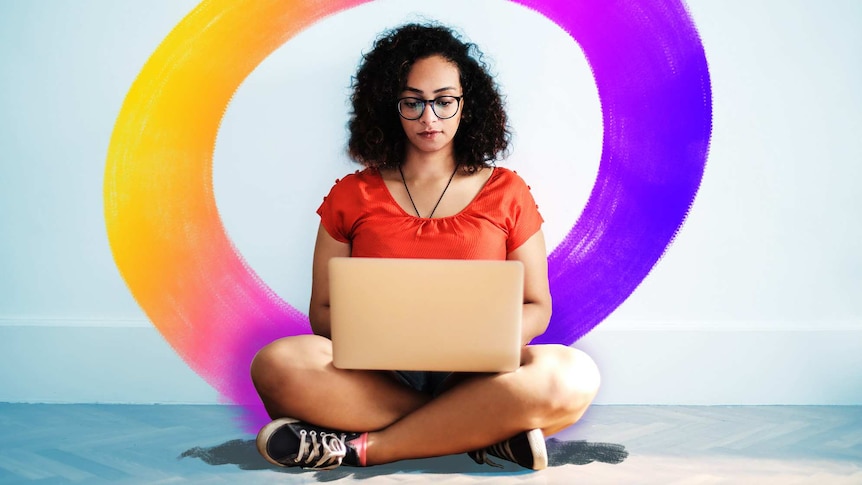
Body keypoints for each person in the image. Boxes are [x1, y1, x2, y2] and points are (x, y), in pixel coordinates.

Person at [250, 23, 600, 471]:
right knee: (278, 362)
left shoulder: (508, 191)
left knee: (573, 375)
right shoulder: (351, 194)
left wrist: (483, 341)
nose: (428, 118)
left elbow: (537, 306)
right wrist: (386, 336)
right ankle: (484, 433)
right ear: (389, 108)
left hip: (479, 375)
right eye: (412, 102)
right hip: (377, 376)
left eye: (443, 101)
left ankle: (362, 447)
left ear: (466, 104)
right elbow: (322, 311)